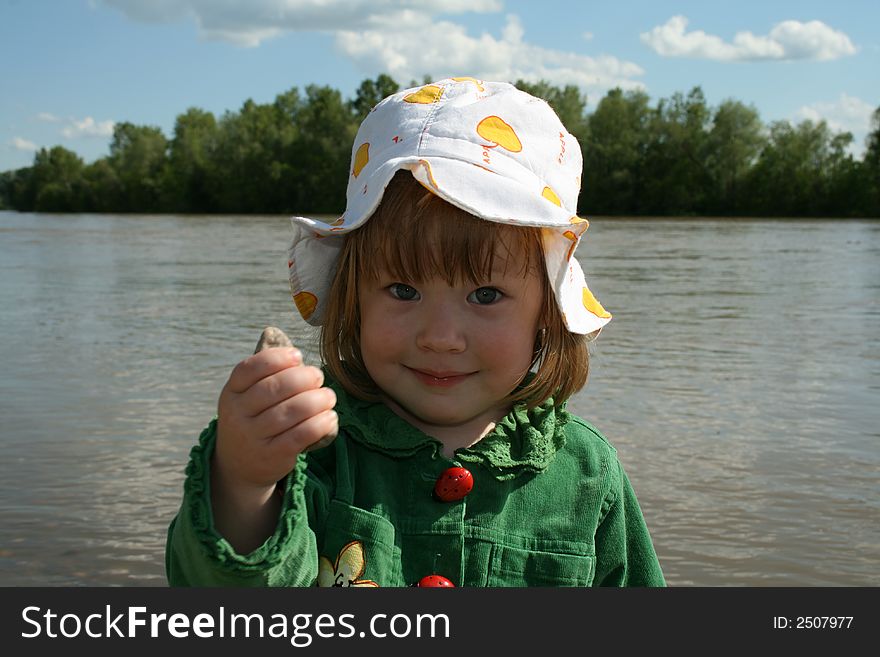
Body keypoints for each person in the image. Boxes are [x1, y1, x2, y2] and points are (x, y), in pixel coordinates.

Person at [165, 77, 665, 587]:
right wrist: (246, 480)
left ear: (547, 313)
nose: (441, 337)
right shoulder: (314, 448)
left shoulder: (588, 474)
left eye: (486, 295)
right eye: (403, 290)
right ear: (353, 298)